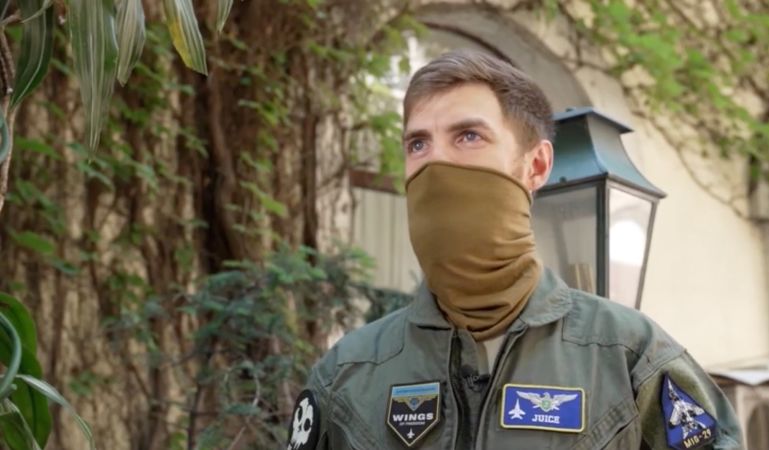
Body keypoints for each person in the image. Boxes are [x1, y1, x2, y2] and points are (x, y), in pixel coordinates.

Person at [285, 50, 742, 450]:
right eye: (418, 143)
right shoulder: (347, 374)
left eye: (468, 136)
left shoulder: (629, 357)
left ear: (536, 165)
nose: (436, 162)